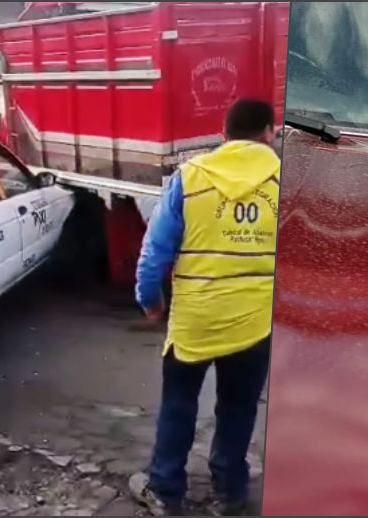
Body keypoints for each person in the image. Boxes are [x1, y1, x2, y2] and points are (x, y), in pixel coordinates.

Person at [129, 99, 280, 516]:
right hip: (253, 324)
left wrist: (151, 302)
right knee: (237, 408)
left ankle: (165, 490)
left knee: (180, 403)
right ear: (269, 132)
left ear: (224, 134)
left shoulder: (191, 178)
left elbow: (155, 252)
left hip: (195, 319)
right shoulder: (286, 183)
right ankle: (229, 493)